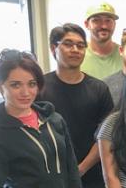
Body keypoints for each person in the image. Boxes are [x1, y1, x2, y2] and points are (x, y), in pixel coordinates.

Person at [0, 49, 82, 187]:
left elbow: (72, 172)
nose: (25, 93)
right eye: (15, 85)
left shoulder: (55, 120)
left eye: (32, 84)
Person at [38, 23, 113, 188]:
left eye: (80, 46)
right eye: (68, 44)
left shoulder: (99, 88)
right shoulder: (39, 87)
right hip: (52, 176)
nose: (75, 49)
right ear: (53, 48)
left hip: (93, 175)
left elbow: (105, 136)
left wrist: (80, 169)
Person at [81, 2, 122, 80]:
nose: (104, 26)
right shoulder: (78, 55)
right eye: (96, 20)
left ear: (114, 24)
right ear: (86, 24)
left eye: (108, 20)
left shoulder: (124, 55)